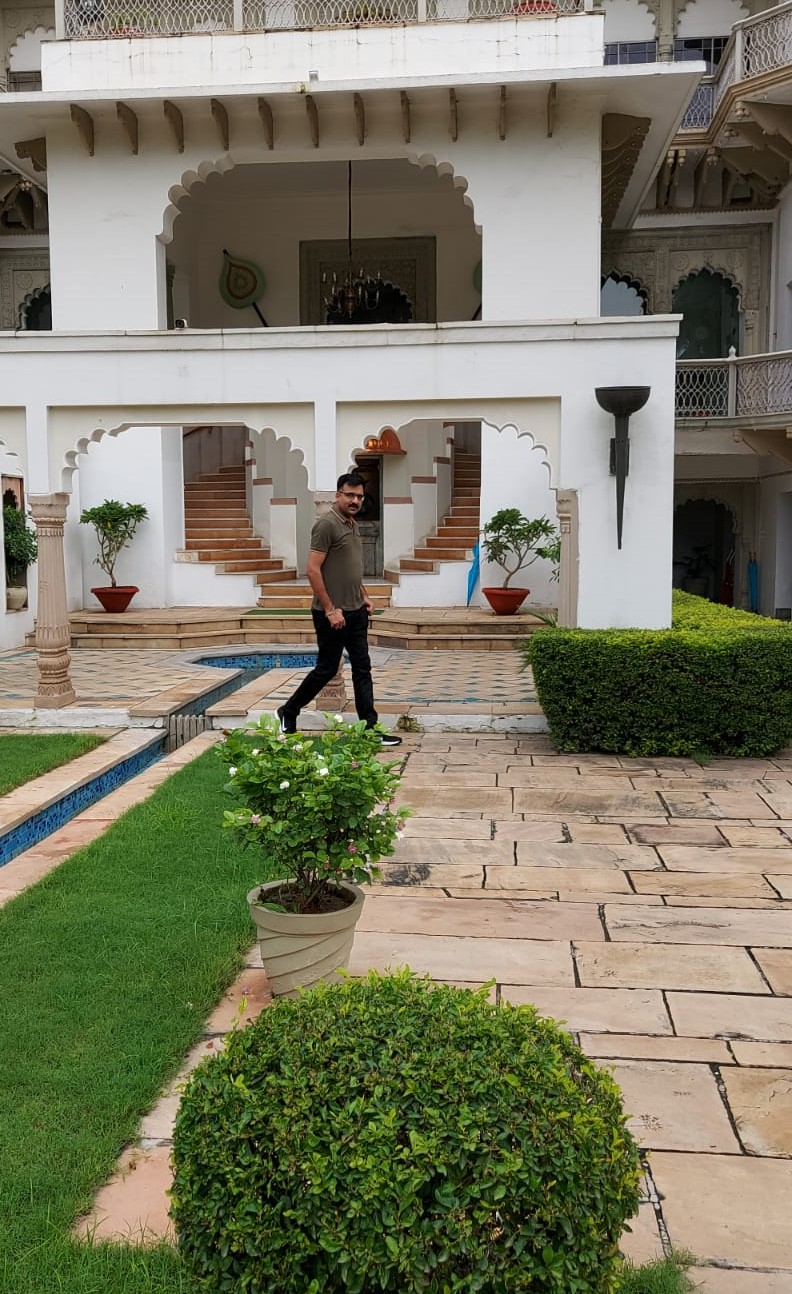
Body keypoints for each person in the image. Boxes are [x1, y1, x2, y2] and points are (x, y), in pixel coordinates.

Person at [277, 472, 402, 746]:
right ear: (338, 495)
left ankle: (369, 728)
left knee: (362, 669)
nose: (355, 501)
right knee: (326, 669)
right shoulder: (326, 525)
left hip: (356, 611)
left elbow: (350, 569)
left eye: (359, 496)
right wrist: (330, 609)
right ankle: (289, 710)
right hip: (332, 614)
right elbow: (313, 570)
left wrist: (364, 595)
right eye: (350, 495)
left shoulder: (352, 524)